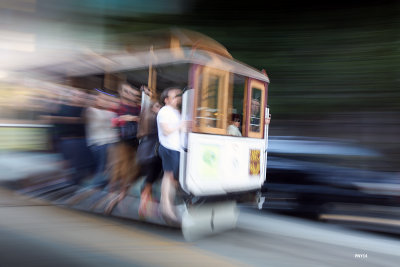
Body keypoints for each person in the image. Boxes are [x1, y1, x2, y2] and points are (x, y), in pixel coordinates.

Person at [157, 87, 185, 222]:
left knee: (173, 179)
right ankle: (165, 206)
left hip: (176, 148)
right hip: (168, 147)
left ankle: (171, 205)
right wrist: (181, 125)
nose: (178, 98)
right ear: (166, 100)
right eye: (175, 96)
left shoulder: (176, 112)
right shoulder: (164, 111)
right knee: (168, 177)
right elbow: (166, 130)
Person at [85, 91, 119, 189]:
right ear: (96, 100)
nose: (106, 101)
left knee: (107, 167)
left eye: (106, 99)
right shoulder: (91, 111)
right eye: (103, 99)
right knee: (101, 167)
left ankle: (101, 185)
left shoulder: (109, 112)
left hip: (110, 142)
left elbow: (113, 126)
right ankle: (95, 187)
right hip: (99, 143)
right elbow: (100, 125)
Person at [137, 99, 163, 217]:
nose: (160, 108)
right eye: (158, 106)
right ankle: (144, 204)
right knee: (150, 180)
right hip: (153, 153)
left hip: (143, 152)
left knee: (149, 180)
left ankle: (147, 203)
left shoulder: (145, 118)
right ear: (153, 108)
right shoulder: (156, 118)